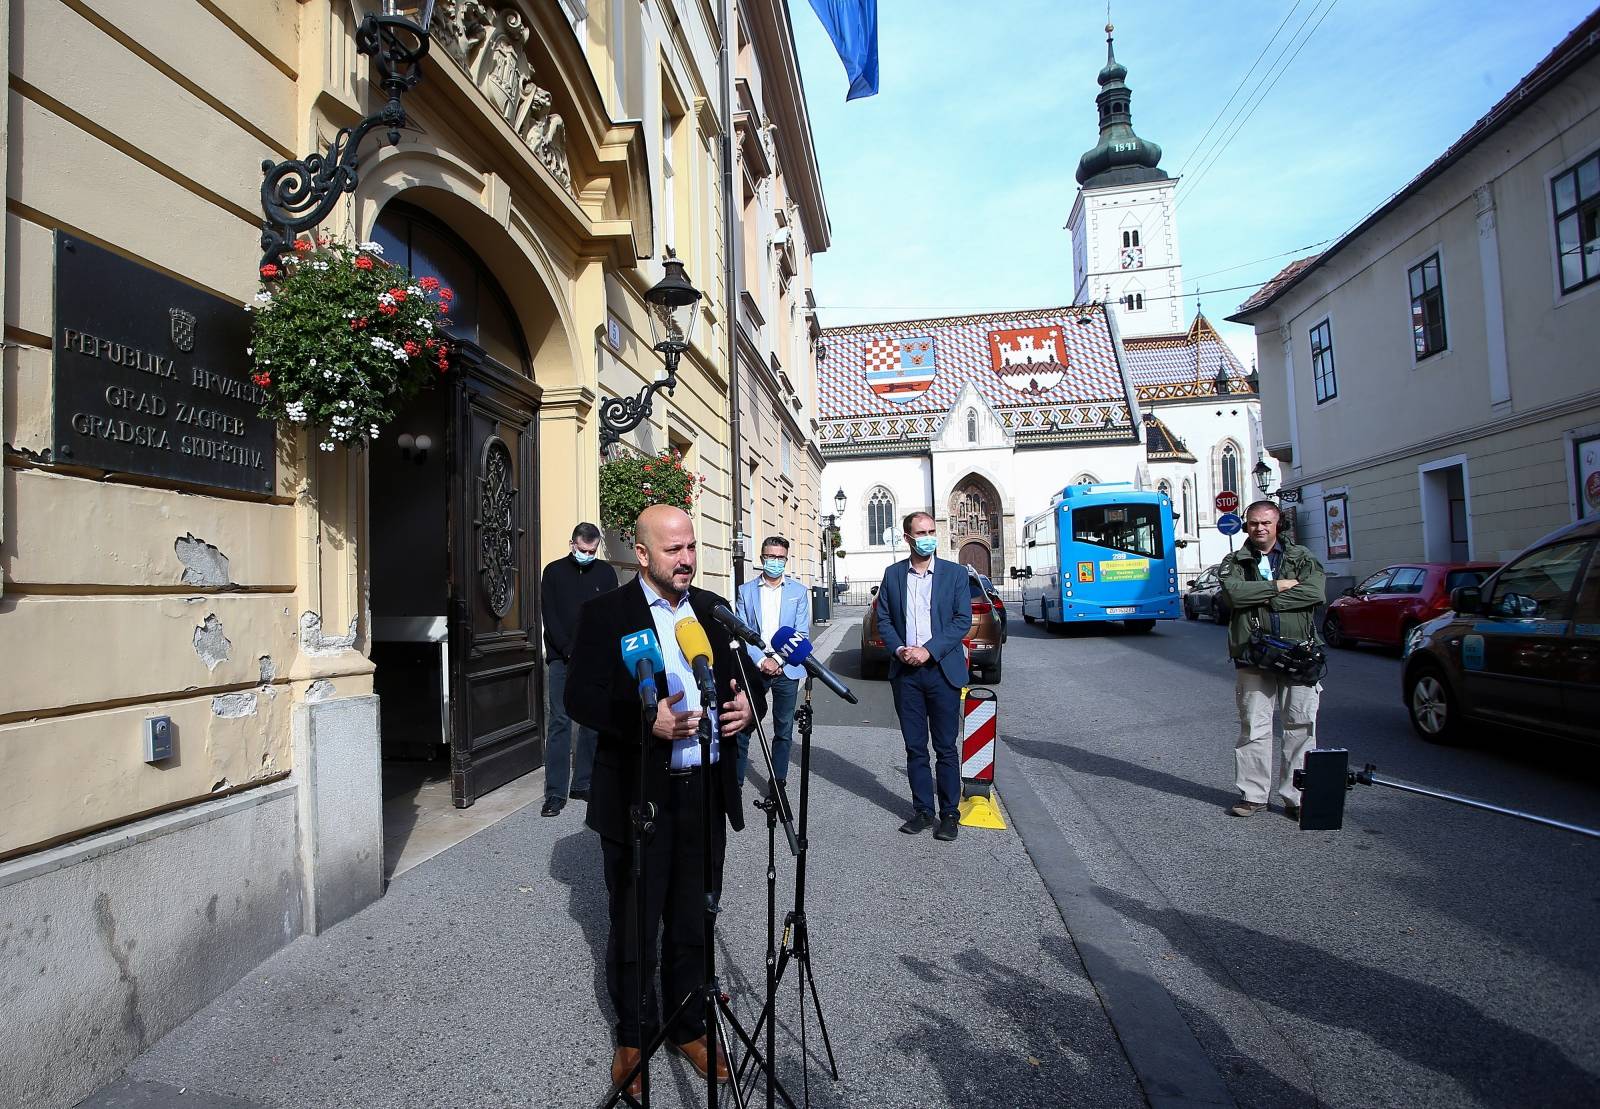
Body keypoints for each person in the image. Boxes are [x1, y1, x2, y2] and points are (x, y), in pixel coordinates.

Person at [564, 505, 758, 1096]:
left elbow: (744, 684)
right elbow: (579, 698)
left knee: (695, 918)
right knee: (634, 924)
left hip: (702, 791)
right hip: (638, 797)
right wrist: (646, 719)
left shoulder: (713, 614)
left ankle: (689, 1025)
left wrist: (750, 708)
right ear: (642, 555)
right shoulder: (606, 614)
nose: (687, 559)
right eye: (673, 550)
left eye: (691, 547)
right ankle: (633, 1037)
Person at [1217, 500, 1326, 819]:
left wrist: (1261, 599)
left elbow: (1314, 593)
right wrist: (1278, 586)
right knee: (1254, 726)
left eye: (1266, 522)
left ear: (1278, 524)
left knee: (1300, 725)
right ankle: (1253, 795)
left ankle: (1298, 797)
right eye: (1253, 523)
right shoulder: (1235, 561)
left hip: (1298, 652)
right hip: (1253, 654)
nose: (1259, 528)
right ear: (1246, 526)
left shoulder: (1301, 557)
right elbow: (1233, 595)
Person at [874, 511, 971, 841]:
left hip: (942, 670)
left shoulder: (955, 574)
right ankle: (923, 811)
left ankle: (949, 813)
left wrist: (928, 650)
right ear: (908, 538)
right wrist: (900, 649)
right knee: (915, 747)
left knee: (945, 747)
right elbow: (883, 619)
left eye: (932, 531)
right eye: (921, 532)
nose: (929, 536)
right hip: (906, 674)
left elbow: (961, 621)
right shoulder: (893, 575)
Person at [539, 522, 617, 817]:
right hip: (561, 658)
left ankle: (583, 782)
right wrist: (568, 649)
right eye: (582, 550)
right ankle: (555, 793)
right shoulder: (554, 572)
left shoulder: (606, 573)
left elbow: (610, 614)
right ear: (572, 543)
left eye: (592, 551)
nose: (587, 554)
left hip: (594, 657)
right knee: (560, 721)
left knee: (592, 722)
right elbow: (550, 614)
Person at [732, 535, 810, 791]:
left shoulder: (798, 592)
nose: (775, 561)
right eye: (770, 557)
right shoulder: (746, 591)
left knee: (784, 728)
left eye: (780, 557)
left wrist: (777, 659)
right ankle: (736, 783)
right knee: (744, 724)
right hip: (756, 667)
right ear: (762, 557)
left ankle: (778, 781)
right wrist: (760, 661)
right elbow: (741, 631)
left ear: (786, 559)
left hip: (787, 668)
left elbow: (801, 633)